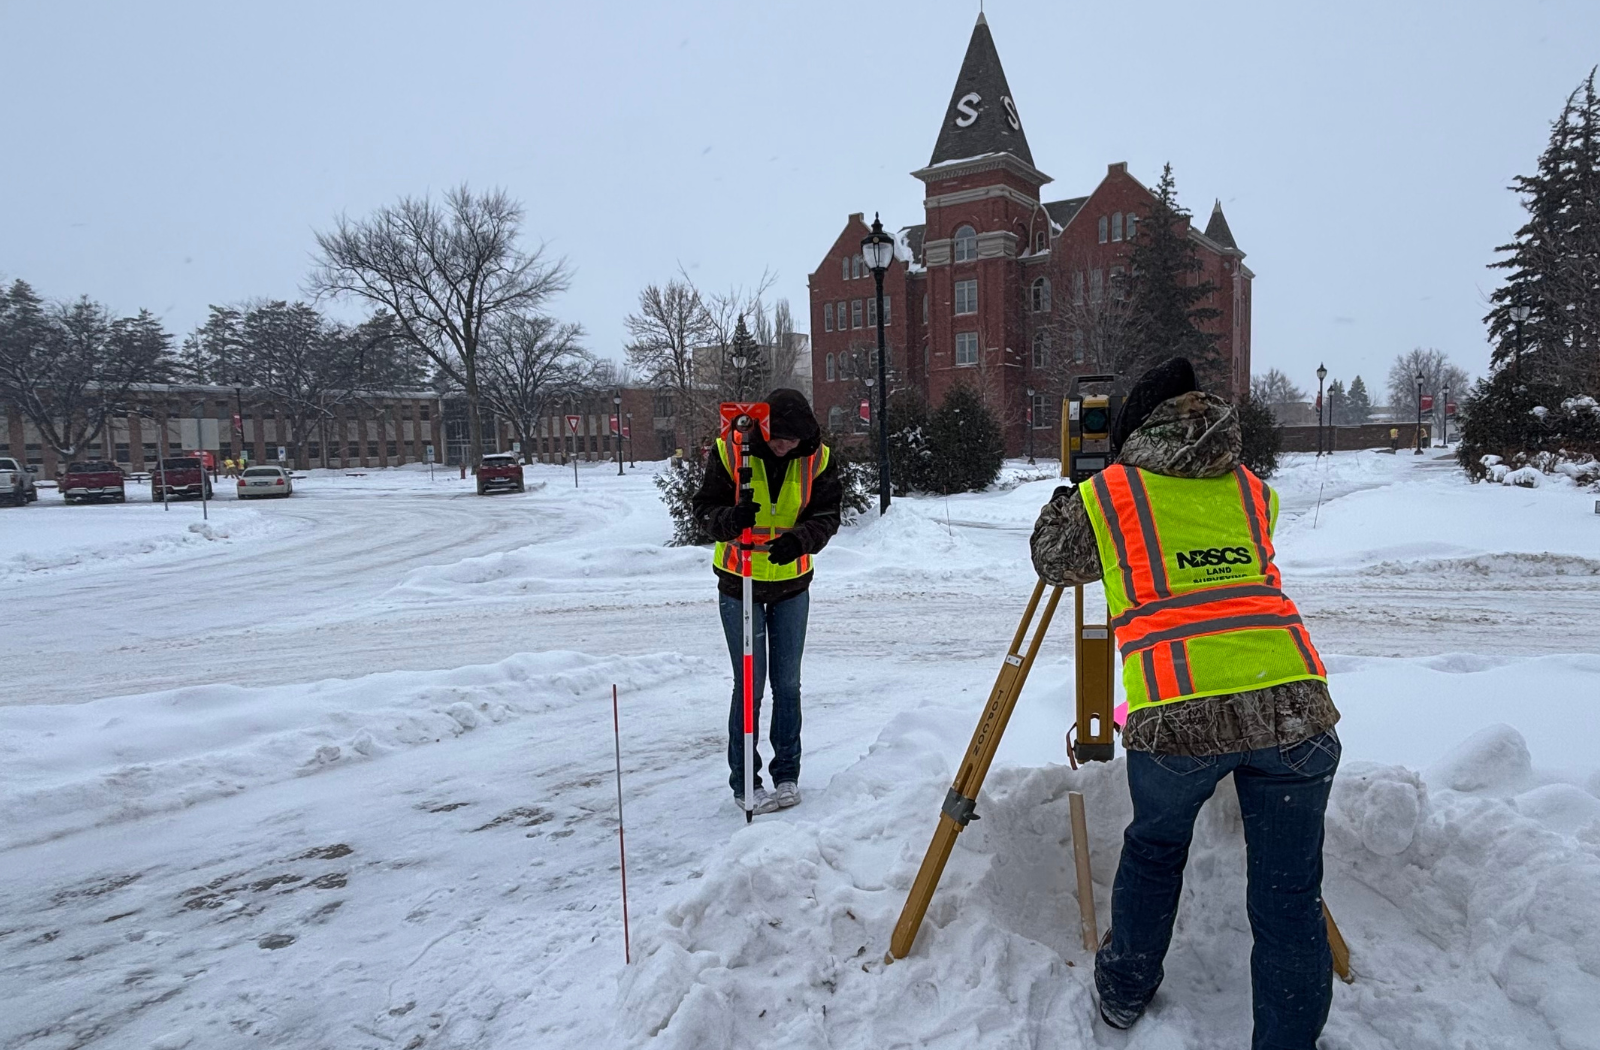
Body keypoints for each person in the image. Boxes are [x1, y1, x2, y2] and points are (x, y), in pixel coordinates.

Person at [1030, 358, 1341, 1049]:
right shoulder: (1254, 489)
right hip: (1295, 708)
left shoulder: (1112, 493)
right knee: (1290, 898)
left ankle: (1124, 989)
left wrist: (1073, 493)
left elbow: (1054, 558)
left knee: (1155, 847)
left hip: (1180, 715)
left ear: (1136, 426)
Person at [693, 389, 841, 815]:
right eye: (777, 439)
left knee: (788, 684)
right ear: (763, 428)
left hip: (792, 585)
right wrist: (729, 519)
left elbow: (826, 516)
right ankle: (744, 781)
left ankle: (787, 774)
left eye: (791, 441)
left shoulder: (819, 459)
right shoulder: (731, 450)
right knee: (750, 688)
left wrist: (800, 540)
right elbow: (704, 510)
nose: (783, 447)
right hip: (740, 585)